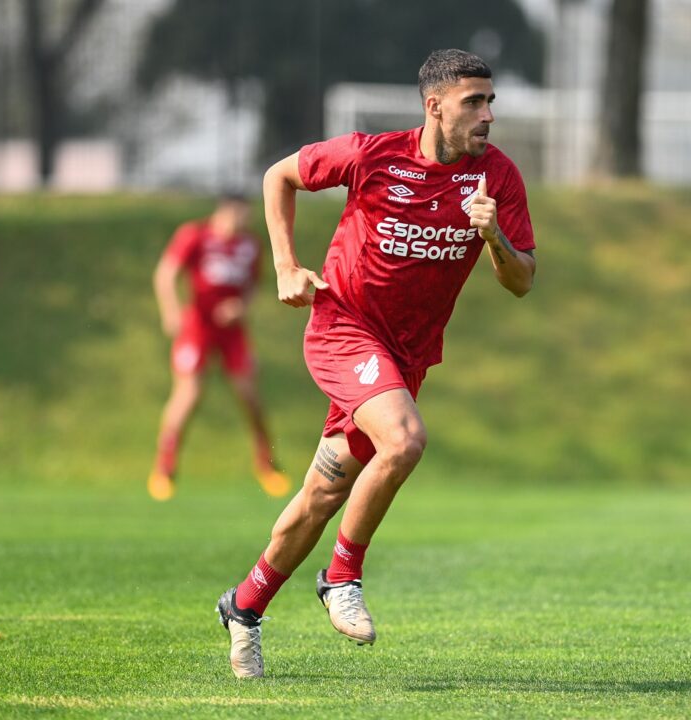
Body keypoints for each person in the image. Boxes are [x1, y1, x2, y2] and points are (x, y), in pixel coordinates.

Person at [215, 49, 537, 678]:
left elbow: (522, 281)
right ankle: (341, 577)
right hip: (344, 331)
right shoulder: (372, 154)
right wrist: (284, 264)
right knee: (406, 439)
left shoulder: (497, 178)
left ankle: (244, 606)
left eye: (490, 101)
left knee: (322, 491)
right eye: (474, 101)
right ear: (434, 105)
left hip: (406, 356)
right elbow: (279, 176)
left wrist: (492, 236)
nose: (488, 114)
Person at [148, 195, 291, 500]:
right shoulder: (195, 235)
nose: (243, 223)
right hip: (197, 328)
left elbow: (253, 285)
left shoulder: (250, 245)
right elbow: (166, 273)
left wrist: (241, 306)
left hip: (233, 333)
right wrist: (171, 311)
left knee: (251, 398)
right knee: (188, 395)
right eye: (239, 216)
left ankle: (267, 466)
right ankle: (164, 468)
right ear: (224, 212)